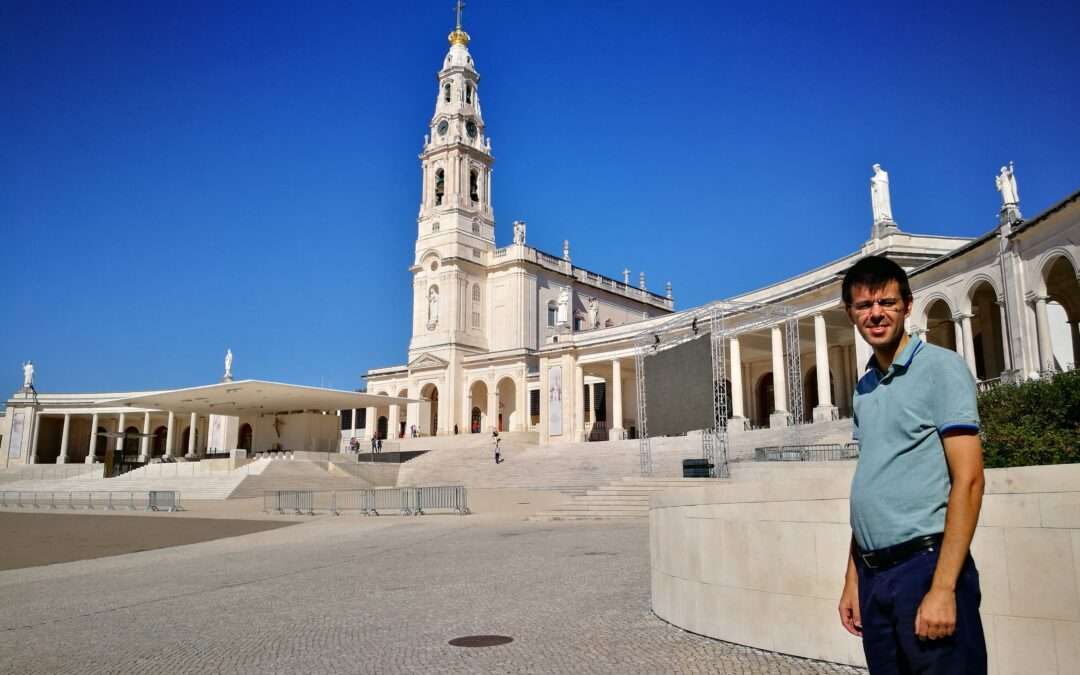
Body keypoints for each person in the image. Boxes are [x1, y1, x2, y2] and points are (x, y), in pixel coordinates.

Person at [837, 255, 986, 674]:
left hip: (924, 567)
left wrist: (943, 587)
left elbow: (970, 481)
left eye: (886, 302)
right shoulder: (864, 388)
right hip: (873, 575)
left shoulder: (941, 369)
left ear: (907, 305)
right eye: (864, 306)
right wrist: (852, 579)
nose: (876, 314)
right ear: (850, 313)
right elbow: (872, 481)